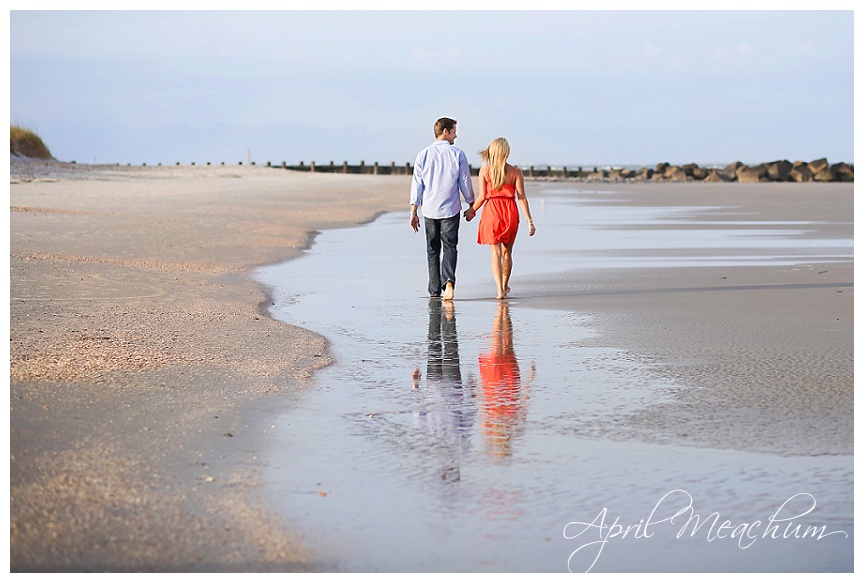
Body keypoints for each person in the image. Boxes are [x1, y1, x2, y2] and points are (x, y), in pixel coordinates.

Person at [410, 117, 476, 300]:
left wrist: (413, 211)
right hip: (451, 209)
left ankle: (434, 290)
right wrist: (471, 203)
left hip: (429, 209)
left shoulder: (422, 154)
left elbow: (417, 185)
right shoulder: (458, 154)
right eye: (454, 131)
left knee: (432, 250)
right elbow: (465, 182)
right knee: (450, 247)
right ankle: (448, 283)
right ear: (445, 131)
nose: (456, 135)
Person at [465, 137, 535, 299]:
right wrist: (529, 222)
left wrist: (471, 211)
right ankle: (504, 285)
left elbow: (482, 196)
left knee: (495, 254)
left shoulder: (485, 171)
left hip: (492, 212)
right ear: (506, 153)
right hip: (510, 212)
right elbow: (522, 197)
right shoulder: (515, 172)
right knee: (507, 254)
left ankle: (499, 290)